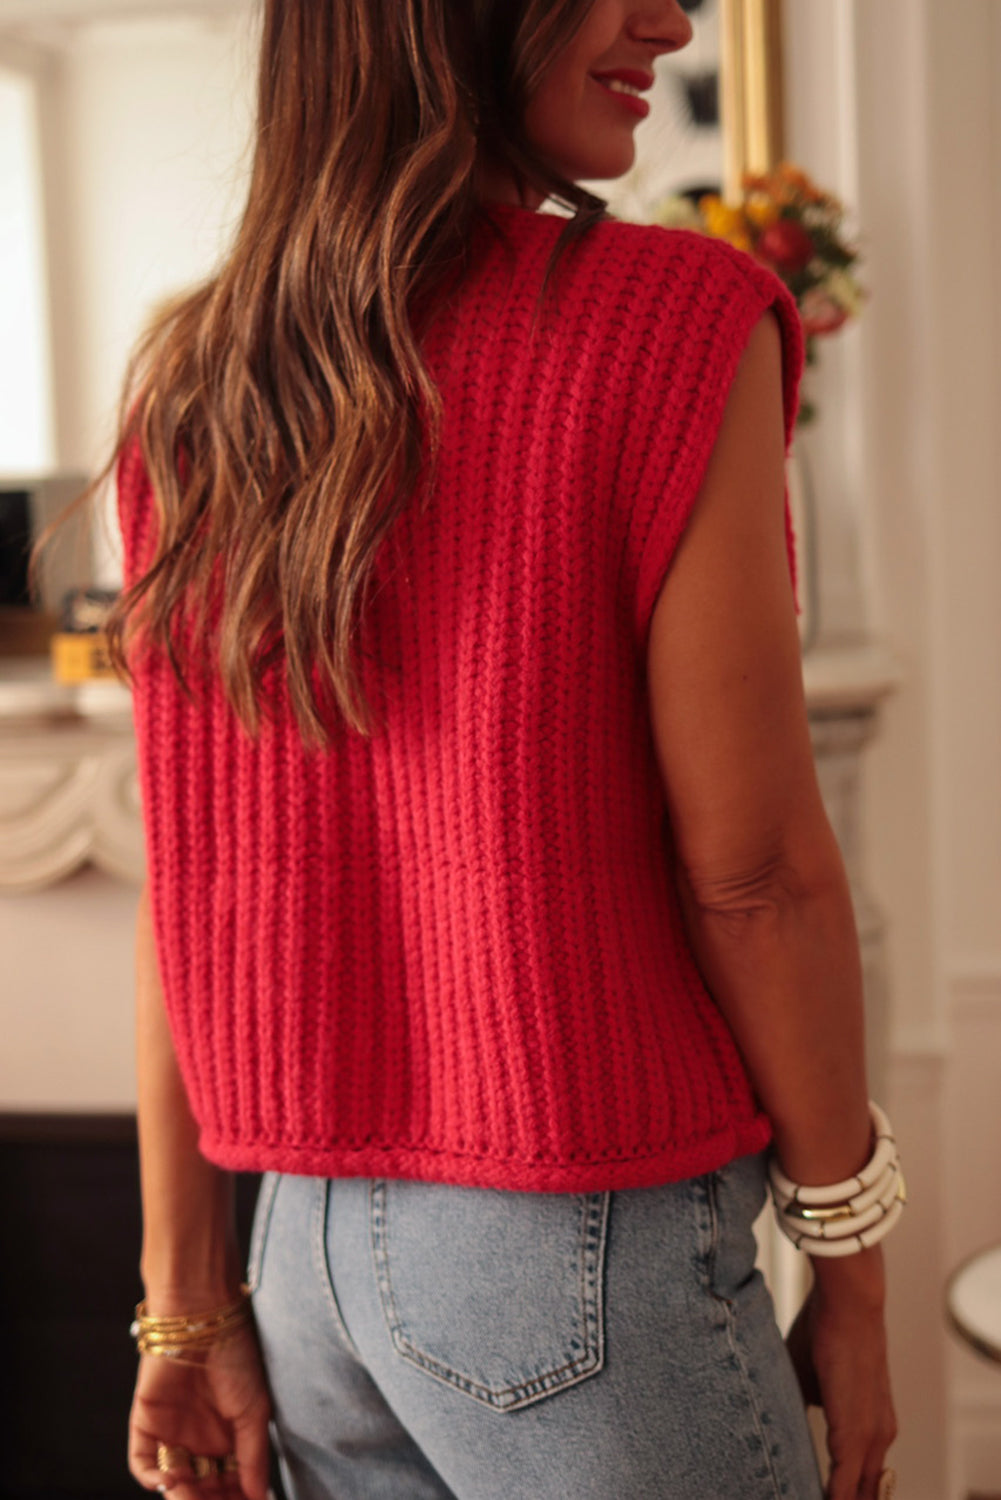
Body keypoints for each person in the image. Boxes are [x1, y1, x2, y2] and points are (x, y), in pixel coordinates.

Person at [89, 1, 901, 1496]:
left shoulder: (198, 380)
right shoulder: (668, 322)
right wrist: (848, 1263)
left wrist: (185, 1304)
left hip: (303, 1262)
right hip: (575, 1243)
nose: (668, 16)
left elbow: (194, 904)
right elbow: (758, 879)